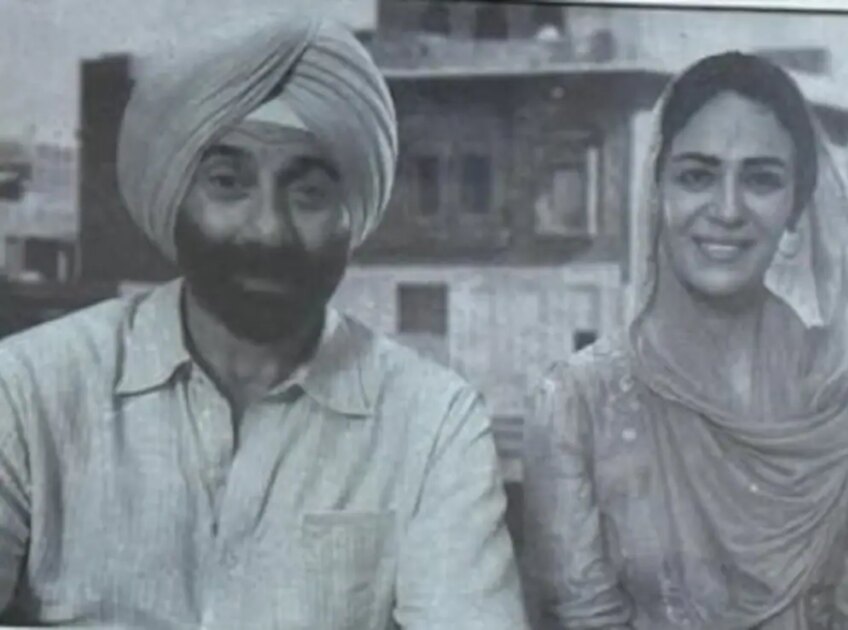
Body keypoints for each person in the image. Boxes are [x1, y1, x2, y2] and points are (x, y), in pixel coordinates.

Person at [0, 14, 527, 630]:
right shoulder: (27, 393)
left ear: (352, 215)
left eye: (309, 193)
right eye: (228, 183)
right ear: (175, 194)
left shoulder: (434, 424)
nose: (269, 229)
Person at [522, 52, 848, 630]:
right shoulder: (576, 406)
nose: (728, 209)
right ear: (658, 191)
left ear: (797, 205)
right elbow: (583, 618)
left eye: (761, 179)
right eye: (697, 176)